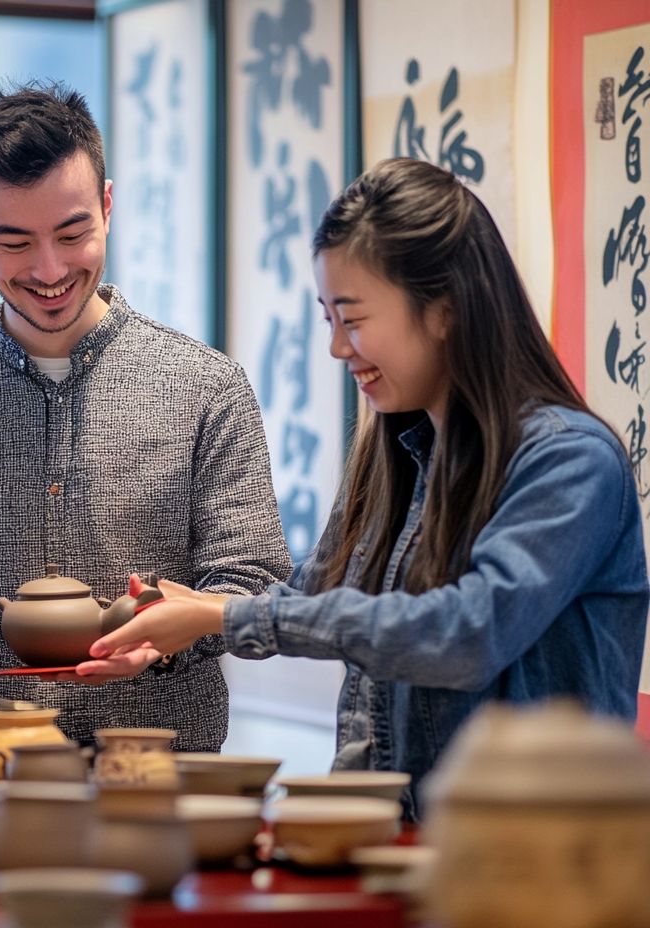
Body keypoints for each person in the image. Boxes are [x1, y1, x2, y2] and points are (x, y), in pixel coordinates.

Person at [91, 157, 650, 817]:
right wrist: (180, 619)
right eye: (327, 318)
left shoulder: (569, 462)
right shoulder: (398, 455)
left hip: (530, 859)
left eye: (351, 319)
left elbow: (463, 633)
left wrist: (224, 615)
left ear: (443, 311)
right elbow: (308, 603)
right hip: (396, 840)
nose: (336, 348)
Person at [0, 81, 291, 750]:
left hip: (162, 777)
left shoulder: (208, 387)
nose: (50, 269)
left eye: (72, 232)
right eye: (15, 242)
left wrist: (166, 643)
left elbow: (253, 587)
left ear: (107, 207)